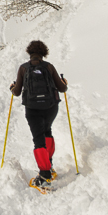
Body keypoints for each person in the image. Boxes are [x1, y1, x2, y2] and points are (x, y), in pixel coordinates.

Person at [9, 40, 68, 187]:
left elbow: (16, 92)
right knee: (47, 131)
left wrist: (12, 87)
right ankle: (49, 167)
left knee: (38, 139)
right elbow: (62, 89)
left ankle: (44, 176)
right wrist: (64, 82)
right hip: (50, 107)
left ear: (30, 53)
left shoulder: (23, 68)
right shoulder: (49, 67)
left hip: (32, 108)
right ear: (43, 53)